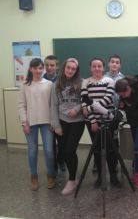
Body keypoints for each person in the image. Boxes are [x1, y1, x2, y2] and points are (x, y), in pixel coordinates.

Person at [81, 57, 121, 188]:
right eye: (94, 66)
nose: (97, 68)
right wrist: (92, 121)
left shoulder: (109, 81)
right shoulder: (85, 82)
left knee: (111, 149)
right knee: (97, 150)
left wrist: (89, 108)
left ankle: (113, 176)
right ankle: (100, 177)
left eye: (99, 66)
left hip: (108, 120)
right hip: (92, 122)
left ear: (103, 68)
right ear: (90, 68)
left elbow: (108, 99)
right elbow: (84, 100)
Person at [18, 58, 55, 191]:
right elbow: (21, 105)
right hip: (30, 123)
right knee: (32, 151)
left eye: (40, 68)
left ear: (43, 69)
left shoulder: (49, 84)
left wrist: (53, 122)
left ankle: (51, 175)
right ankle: (34, 177)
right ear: (30, 69)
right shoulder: (24, 85)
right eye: (35, 68)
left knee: (49, 151)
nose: (38, 71)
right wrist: (24, 123)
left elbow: (52, 105)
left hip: (47, 123)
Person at [51, 58, 85, 195]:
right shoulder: (56, 84)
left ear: (76, 71)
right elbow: (53, 105)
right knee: (64, 152)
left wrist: (77, 109)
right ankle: (72, 178)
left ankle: (72, 181)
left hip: (77, 122)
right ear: (64, 68)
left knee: (70, 150)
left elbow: (86, 101)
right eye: (68, 68)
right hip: (61, 122)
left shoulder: (82, 83)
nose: (70, 70)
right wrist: (56, 125)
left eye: (73, 69)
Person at [43, 55, 66, 177]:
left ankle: (61, 161)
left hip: (61, 119)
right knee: (50, 148)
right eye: (46, 65)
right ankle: (53, 168)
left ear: (57, 67)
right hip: (47, 120)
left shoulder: (62, 81)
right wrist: (49, 121)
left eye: (52, 65)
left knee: (62, 145)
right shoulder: (41, 81)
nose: (49, 67)